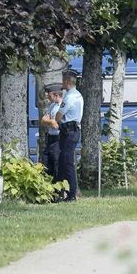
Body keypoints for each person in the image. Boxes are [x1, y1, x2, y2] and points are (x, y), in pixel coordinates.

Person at [54, 70, 83, 201]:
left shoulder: (69, 97)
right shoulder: (78, 95)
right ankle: (63, 191)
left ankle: (71, 194)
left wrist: (57, 118)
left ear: (67, 81)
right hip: (73, 130)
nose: (62, 83)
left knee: (67, 162)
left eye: (63, 80)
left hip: (68, 132)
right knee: (64, 161)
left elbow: (58, 116)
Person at [40, 84, 64, 178]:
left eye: (49, 96)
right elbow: (43, 121)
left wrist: (49, 121)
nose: (48, 98)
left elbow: (56, 125)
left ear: (56, 95)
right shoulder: (53, 106)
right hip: (50, 138)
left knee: (56, 163)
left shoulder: (62, 106)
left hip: (58, 139)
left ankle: (59, 189)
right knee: (46, 162)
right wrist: (51, 121)